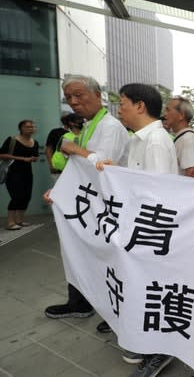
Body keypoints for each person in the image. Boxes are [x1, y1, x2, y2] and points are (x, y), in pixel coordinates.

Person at [98, 83, 178, 377]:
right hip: (142, 229)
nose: (120, 109)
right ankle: (148, 344)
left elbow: (157, 195)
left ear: (140, 106)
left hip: (153, 232)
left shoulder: (155, 140)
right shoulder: (139, 140)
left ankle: (161, 351)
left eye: (123, 103)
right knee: (144, 290)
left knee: (154, 290)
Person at [44, 75, 130, 321]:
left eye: (79, 95)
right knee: (79, 252)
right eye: (69, 97)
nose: (73, 101)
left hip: (104, 207)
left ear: (97, 95)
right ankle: (81, 301)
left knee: (98, 255)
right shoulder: (91, 124)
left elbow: (102, 168)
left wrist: (74, 148)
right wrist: (61, 190)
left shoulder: (109, 127)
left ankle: (105, 307)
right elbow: (80, 171)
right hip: (90, 205)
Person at [0, 120, 39, 229]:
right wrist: (22, 159)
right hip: (12, 172)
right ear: (21, 128)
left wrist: (33, 159)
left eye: (32, 127)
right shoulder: (12, 140)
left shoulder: (34, 142)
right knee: (16, 196)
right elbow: (2, 155)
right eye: (27, 127)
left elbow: (34, 157)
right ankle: (10, 222)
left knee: (26, 196)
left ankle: (20, 220)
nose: (31, 129)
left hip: (27, 172)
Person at [163, 96, 194, 178]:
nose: (164, 114)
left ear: (181, 115)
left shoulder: (187, 138)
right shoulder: (183, 136)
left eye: (168, 110)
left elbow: (192, 172)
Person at [45, 113, 84, 179]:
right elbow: (49, 149)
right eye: (79, 119)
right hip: (64, 170)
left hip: (77, 170)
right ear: (71, 122)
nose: (82, 121)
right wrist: (51, 165)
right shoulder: (66, 136)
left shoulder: (83, 134)